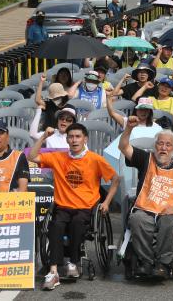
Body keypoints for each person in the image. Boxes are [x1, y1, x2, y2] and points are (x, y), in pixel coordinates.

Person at [28, 123, 119, 290]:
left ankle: (73, 262)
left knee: (77, 224)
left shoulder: (95, 159)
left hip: (85, 208)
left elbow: (115, 179)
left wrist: (106, 202)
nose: (74, 140)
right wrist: (43, 138)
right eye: (71, 137)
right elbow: (32, 157)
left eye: (78, 136)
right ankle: (54, 271)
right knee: (55, 226)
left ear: (85, 139)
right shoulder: (58, 157)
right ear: (67, 139)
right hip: (63, 206)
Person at [119, 119, 173, 278]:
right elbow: (123, 147)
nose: (163, 148)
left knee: (167, 221)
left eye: (168, 145)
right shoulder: (146, 159)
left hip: (169, 212)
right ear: (155, 146)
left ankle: (163, 264)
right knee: (136, 219)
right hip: (145, 209)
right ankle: (146, 261)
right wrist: (128, 128)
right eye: (160, 144)